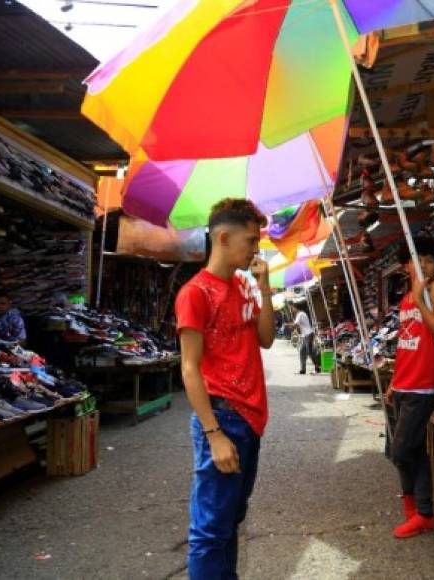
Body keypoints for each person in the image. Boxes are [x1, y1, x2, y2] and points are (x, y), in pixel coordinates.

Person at [174, 198, 274, 580]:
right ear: (223, 237)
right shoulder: (195, 293)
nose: (255, 249)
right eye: (250, 240)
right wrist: (213, 433)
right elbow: (189, 368)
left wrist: (264, 290)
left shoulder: (244, 288)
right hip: (223, 418)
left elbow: (265, 339)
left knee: (231, 519)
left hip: (249, 421)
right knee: (210, 530)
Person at [384, 236, 434, 539]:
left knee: (401, 450)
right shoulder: (406, 298)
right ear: (406, 264)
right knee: (410, 450)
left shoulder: (433, 288)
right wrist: (392, 382)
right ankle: (418, 511)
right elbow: (404, 344)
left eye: (429, 259)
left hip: (422, 386)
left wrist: (421, 299)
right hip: (402, 384)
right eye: (417, 258)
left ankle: (421, 511)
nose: (423, 265)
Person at [290, 303, 318, 375]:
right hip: (305, 335)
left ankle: (317, 367)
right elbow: (297, 325)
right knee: (302, 351)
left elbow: (295, 325)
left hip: (308, 334)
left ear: (296, 308)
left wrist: (288, 325)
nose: (292, 310)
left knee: (309, 352)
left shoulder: (300, 314)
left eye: (292, 308)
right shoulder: (300, 314)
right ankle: (303, 370)